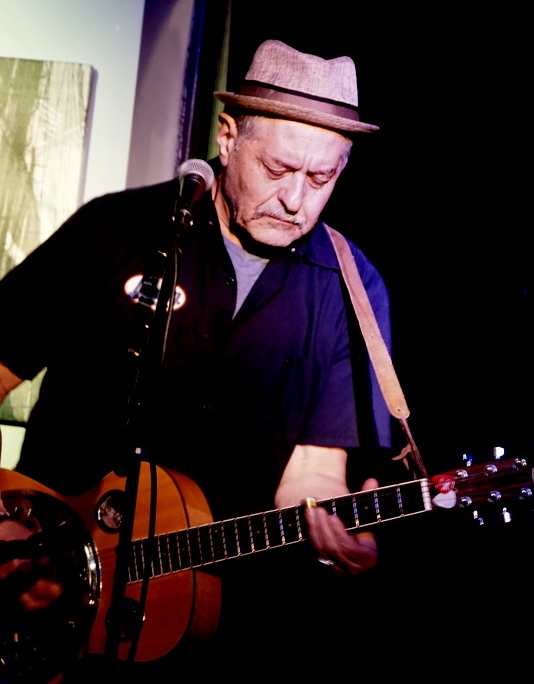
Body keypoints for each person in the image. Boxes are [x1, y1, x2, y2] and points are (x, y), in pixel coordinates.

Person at [0, 39, 404, 680]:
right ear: (228, 136)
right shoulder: (119, 229)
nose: (295, 200)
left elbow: (313, 473)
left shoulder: (350, 287)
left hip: (194, 622)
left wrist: (339, 527)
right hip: (32, 584)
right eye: (277, 169)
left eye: (320, 179)